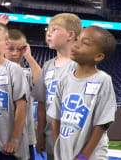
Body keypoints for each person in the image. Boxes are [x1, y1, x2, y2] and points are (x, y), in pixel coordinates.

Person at [0, 16, 41, 160]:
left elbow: (41, 81)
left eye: (20, 49)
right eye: (11, 49)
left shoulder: (26, 72)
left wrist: (29, 57)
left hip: (24, 135)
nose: (16, 53)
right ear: (4, 46)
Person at [48, 26, 117, 160]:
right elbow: (55, 117)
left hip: (91, 155)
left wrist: (84, 156)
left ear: (98, 56)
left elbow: (101, 124)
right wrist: (58, 146)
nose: (76, 44)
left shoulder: (103, 80)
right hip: (65, 153)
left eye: (85, 43)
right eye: (78, 40)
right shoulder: (64, 79)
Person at [32, 13, 82, 159]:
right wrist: (40, 135)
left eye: (54, 29)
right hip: (51, 139)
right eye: (48, 29)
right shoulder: (47, 66)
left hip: (76, 140)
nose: (48, 33)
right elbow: (41, 104)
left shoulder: (82, 65)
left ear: (70, 35)